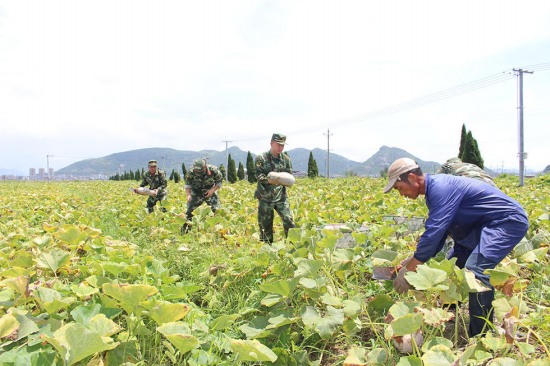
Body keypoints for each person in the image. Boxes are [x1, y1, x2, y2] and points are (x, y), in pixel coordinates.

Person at [383, 157, 528, 337]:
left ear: (412, 178)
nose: (401, 194)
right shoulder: (433, 193)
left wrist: (410, 269)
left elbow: (434, 232)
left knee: (476, 271)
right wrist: (411, 260)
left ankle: (481, 334)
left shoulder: (440, 187)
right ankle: (446, 316)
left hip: (506, 222)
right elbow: (439, 235)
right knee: (452, 267)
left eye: (399, 188)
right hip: (476, 229)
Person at [255, 133, 296, 243]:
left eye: (282, 145)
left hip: (280, 196)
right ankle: (267, 249)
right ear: (271, 143)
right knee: (265, 224)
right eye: (278, 145)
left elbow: (289, 175)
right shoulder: (261, 158)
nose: (280, 147)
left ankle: (292, 246)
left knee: (289, 220)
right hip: (265, 196)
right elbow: (258, 175)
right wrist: (268, 180)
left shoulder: (286, 159)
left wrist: (283, 179)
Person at [183, 158, 223, 223]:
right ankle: (185, 230)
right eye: (197, 171)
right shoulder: (190, 172)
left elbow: (219, 182)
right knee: (189, 212)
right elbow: (188, 185)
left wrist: (212, 191)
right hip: (196, 191)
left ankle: (219, 229)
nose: (199, 173)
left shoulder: (213, 170)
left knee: (217, 210)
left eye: (201, 171)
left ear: (205, 167)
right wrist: (189, 195)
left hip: (210, 189)